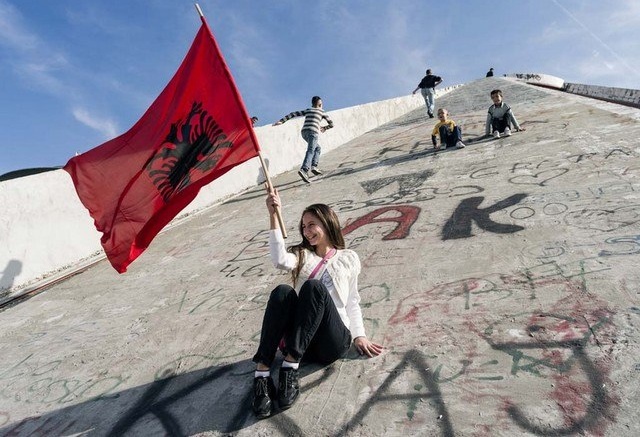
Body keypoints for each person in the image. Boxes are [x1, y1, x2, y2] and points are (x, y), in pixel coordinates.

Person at [251, 188, 383, 419]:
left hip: (332, 341)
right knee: (283, 291)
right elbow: (279, 259)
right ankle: (262, 375)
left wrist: (359, 335)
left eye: (312, 224)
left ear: (327, 222)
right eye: (303, 226)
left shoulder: (348, 257)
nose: (307, 231)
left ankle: (289, 369)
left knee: (314, 287)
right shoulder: (302, 255)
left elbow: (352, 300)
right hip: (303, 341)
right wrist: (273, 213)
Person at [273, 96, 334, 183]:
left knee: (317, 148)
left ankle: (314, 166)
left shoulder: (308, 110)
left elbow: (293, 114)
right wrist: (325, 128)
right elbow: (331, 124)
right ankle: (304, 170)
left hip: (304, 132)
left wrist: (281, 121)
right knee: (311, 150)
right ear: (320, 104)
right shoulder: (322, 111)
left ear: (312, 104)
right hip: (313, 132)